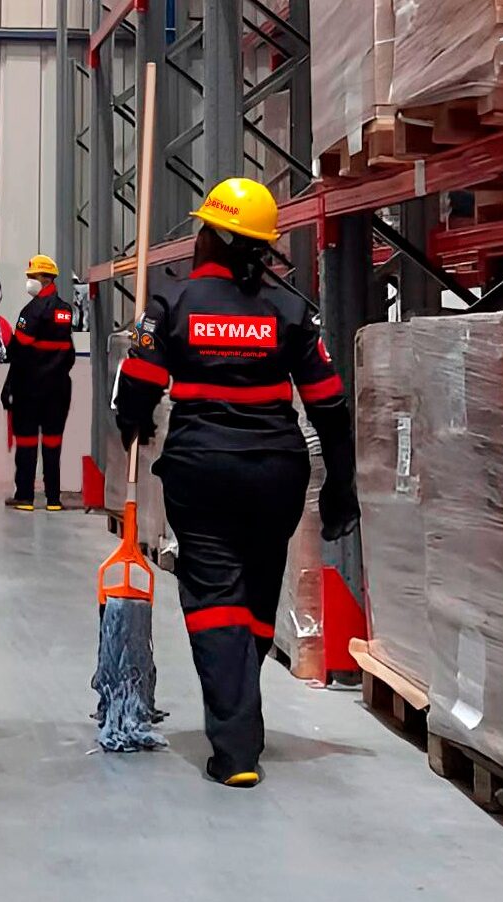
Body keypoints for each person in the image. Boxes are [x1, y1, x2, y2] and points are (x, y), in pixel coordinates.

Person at [113, 177, 359, 788]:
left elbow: (136, 389)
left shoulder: (172, 304)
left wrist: (134, 421)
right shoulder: (290, 311)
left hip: (202, 471)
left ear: (212, 237)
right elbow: (330, 405)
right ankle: (243, 714)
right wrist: (341, 486)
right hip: (277, 474)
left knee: (213, 598)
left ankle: (236, 749)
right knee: (256, 594)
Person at [1, 255, 75, 511]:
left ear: (46, 278)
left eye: (33, 276)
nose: (29, 281)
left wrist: (9, 383)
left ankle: (25, 496)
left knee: (27, 442)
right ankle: (53, 499)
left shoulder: (30, 312)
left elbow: (18, 352)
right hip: (58, 389)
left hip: (29, 388)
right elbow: (68, 353)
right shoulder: (65, 310)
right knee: (53, 442)